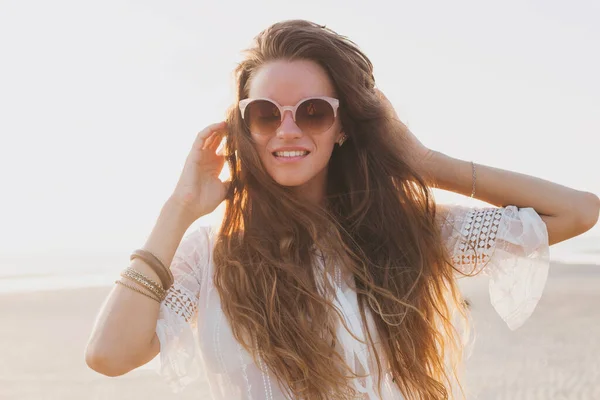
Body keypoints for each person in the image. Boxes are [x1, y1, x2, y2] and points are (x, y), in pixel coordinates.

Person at [85, 19, 599, 400]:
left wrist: (423, 162)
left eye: (312, 112)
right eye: (265, 115)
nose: (288, 130)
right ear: (245, 128)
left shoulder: (405, 231)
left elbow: (576, 211)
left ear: (345, 125)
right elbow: (109, 355)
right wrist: (178, 209)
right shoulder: (212, 254)